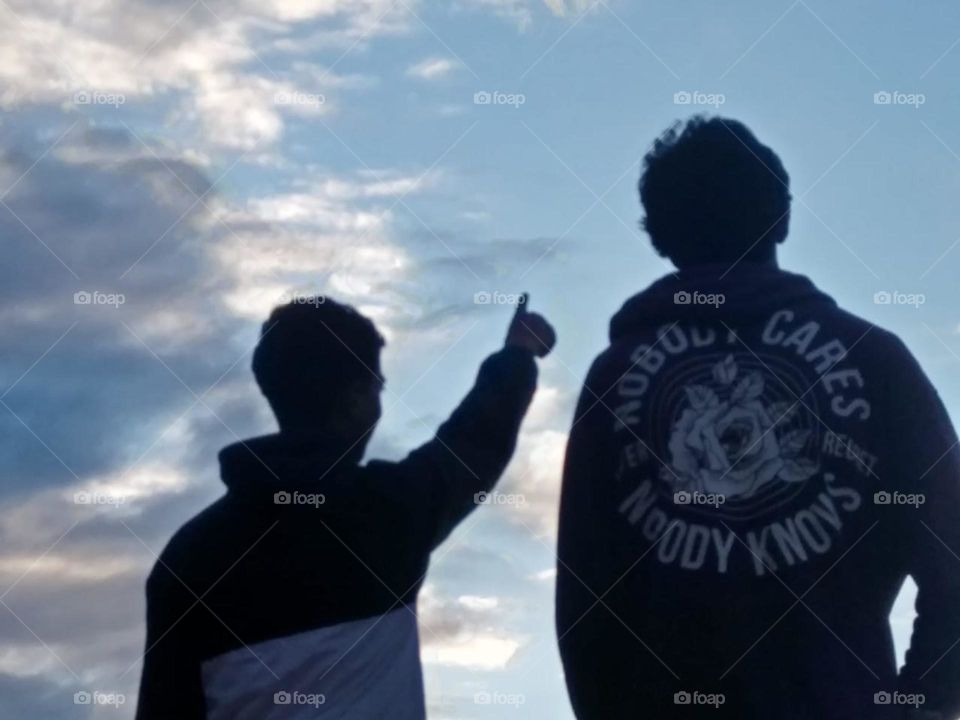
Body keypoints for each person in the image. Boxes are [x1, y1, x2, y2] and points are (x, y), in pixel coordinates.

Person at [556, 116, 960, 720]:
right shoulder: (873, 358)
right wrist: (923, 703)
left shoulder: (615, 378)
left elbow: (585, 602)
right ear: (783, 217)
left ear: (659, 236)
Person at [135, 294, 555, 719]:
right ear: (357, 399)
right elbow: (476, 441)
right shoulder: (387, 513)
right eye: (377, 386)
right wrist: (518, 353)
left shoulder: (188, 560)